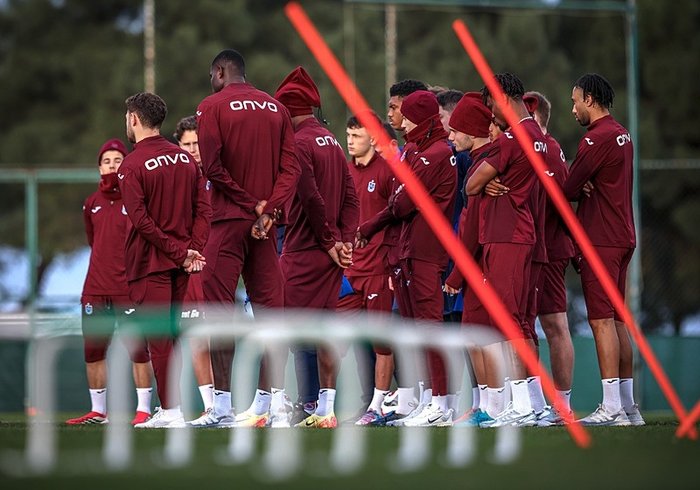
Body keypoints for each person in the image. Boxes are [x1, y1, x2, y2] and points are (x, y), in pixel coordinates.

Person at [190, 49, 300, 427]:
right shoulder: (277, 108)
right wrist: (268, 210)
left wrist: (251, 204)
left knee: (219, 314)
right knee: (272, 313)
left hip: (226, 222)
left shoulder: (211, 106)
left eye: (212, 76)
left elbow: (212, 167)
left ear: (220, 72)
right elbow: (291, 169)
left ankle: (221, 406)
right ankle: (272, 402)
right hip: (265, 227)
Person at [362, 90, 457, 427]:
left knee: (430, 327)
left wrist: (371, 225)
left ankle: (441, 403)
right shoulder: (417, 150)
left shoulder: (436, 154)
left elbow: (401, 202)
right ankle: (428, 398)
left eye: (409, 117)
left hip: (425, 251)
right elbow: (397, 194)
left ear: (423, 119)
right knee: (417, 329)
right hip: (409, 249)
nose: (403, 123)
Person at [273, 66, 359, 428]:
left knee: (282, 328)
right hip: (330, 254)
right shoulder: (331, 140)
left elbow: (310, 197)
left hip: (305, 250)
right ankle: (325, 409)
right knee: (324, 332)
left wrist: (329, 241)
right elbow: (351, 195)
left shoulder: (297, 143)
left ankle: (283, 404)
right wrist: (345, 241)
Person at [119, 92, 211, 428]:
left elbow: (141, 222)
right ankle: (172, 407)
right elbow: (204, 209)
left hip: (150, 264)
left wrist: (180, 252)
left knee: (159, 338)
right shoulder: (185, 160)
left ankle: (171, 411)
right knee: (170, 337)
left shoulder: (131, 165)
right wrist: (191, 250)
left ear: (134, 119)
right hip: (181, 264)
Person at [466, 73, 547, 427]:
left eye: (490, 105)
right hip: (519, 232)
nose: (490, 114)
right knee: (518, 321)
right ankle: (532, 403)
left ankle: (522, 406)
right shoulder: (537, 135)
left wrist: (486, 182)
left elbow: (471, 185)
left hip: (507, 234)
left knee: (507, 320)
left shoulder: (514, 137)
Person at [564, 73, 643, 426]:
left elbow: (568, 187)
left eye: (575, 101)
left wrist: (578, 183)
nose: (573, 109)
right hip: (623, 236)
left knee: (601, 322)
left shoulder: (596, 138)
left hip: (602, 239)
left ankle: (611, 407)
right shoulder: (622, 133)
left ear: (590, 99)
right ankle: (628, 407)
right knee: (618, 321)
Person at [66, 138, 154, 426]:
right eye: (107, 161)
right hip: (94, 290)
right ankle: (98, 411)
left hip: (128, 289)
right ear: (99, 168)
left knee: (138, 350)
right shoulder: (91, 203)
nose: (112, 166)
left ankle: (143, 410)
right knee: (93, 351)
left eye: (118, 160)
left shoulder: (136, 199)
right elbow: (94, 241)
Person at [443, 93, 499, 427]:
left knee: (489, 333)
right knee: (474, 332)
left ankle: (500, 405)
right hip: (479, 259)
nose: (450, 135)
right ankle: (487, 405)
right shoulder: (479, 162)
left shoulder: (486, 163)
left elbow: (473, 227)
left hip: (487, 259)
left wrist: (457, 275)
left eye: (455, 130)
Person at [338, 111, 396, 426]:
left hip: (379, 270)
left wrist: (392, 263)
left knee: (381, 341)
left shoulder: (387, 171)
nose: (350, 141)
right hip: (349, 271)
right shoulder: (344, 171)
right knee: (335, 337)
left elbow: (399, 217)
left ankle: (378, 405)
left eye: (357, 136)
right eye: (348, 135)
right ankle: (324, 403)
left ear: (373, 138)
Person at [523, 92, 576, 426]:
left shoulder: (550, 149)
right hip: (528, 250)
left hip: (550, 250)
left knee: (554, 325)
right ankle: (534, 403)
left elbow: (563, 198)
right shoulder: (523, 147)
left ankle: (562, 406)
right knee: (524, 325)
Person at [173, 116, 214, 415]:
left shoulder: (220, 175)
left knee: (219, 338)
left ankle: (224, 402)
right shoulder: (175, 179)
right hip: (190, 266)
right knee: (196, 337)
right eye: (186, 144)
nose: (192, 149)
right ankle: (210, 406)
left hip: (221, 264)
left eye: (197, 143)